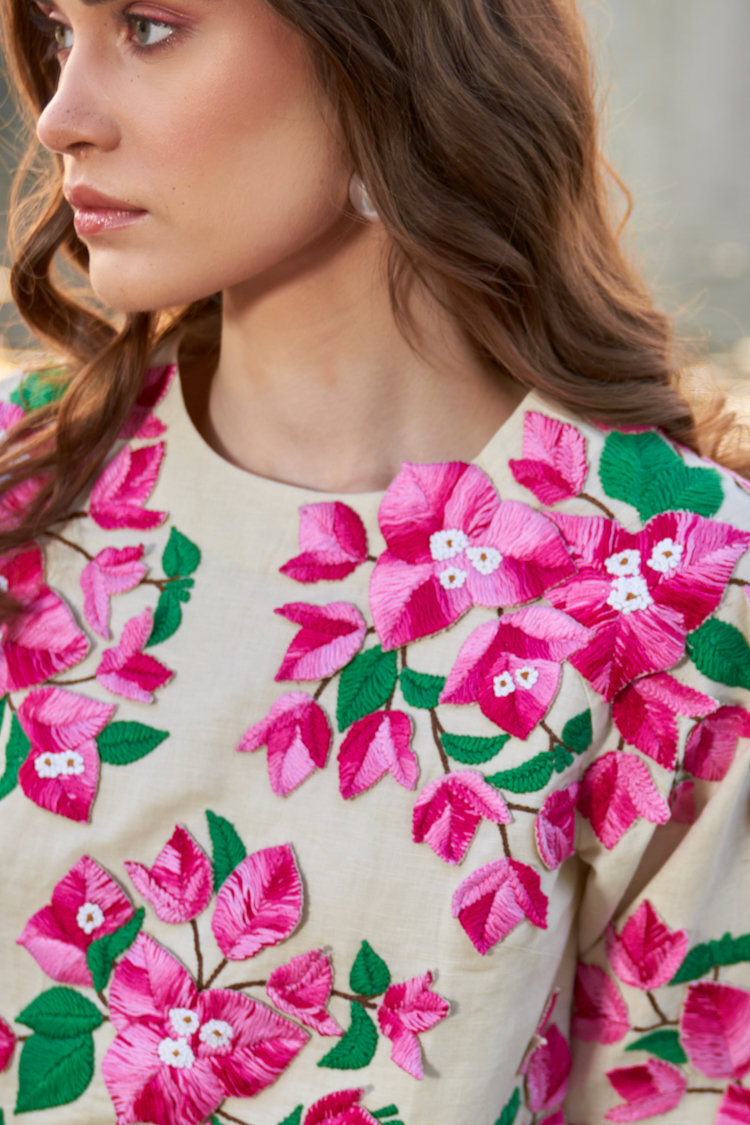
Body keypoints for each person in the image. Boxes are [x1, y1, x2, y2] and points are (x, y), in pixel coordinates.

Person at [0, 0, 749, 1122]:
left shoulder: (672, 589)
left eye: (148, 27)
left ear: (387, 50)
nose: (60, 118)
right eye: (63, 32)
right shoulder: (24, 499)